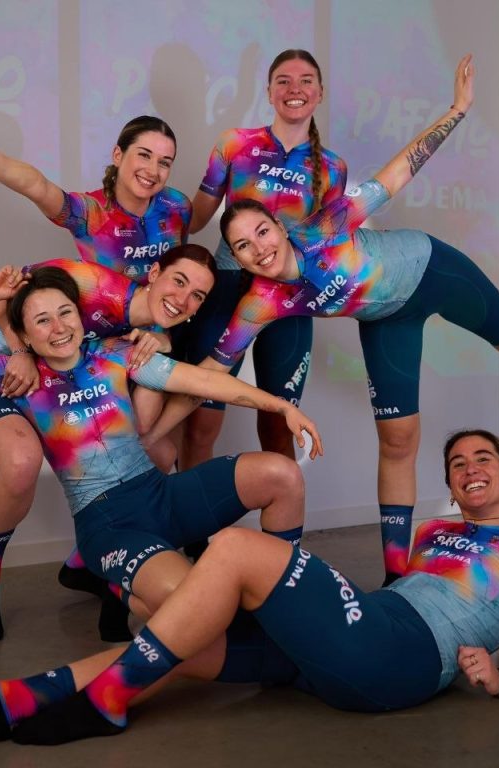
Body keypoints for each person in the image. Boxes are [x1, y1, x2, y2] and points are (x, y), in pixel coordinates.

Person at [148, 54, 499, 586]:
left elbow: (400, 170)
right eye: (243, 246)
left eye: (262, 233)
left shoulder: (326, 226)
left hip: (430, 271)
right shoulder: (260, 302)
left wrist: (457, 110)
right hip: (385, 318)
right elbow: (207, 375)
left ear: (281, 228)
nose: (258, 249)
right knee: (399, 440)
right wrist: (150, 431)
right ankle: (394, 576)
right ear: (237, 259)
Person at [0, 428, 499, 745]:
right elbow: (451, 604)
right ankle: (9, 701)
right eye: (457, 463)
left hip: (403, 656)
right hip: (366, 630)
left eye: (483, 459)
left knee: (237, 547)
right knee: (184, 644)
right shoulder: (433, 534)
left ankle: (108, 702)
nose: (469, 468)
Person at [0, 264, 323, 647]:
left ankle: (284, 596)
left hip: (161, 495)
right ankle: (124, 592)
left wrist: (281, 407)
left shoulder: (115, 354)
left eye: (66, 313)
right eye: (43, 320)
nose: (59, 327)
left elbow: (203, 382)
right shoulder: (17, 377)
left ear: (80, 315)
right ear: (25, 336)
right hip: (107, 522)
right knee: (195, 600)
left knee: (282, 474)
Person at [0, 86, 194, 639]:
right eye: (143, 155)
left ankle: (93, 569)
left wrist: (161, 336)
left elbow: (176, 285)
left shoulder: (175, 209)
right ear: (118, 155)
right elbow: (33, 191)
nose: (153, 170)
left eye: (165, 161)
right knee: (21, 463)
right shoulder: (89, 223)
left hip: (77, 358)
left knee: (155, 450)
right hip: (9, 362)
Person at [177, 48, 347, 560]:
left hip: (288, 301)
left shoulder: (332, 168)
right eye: (283, 80)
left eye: (306, 80)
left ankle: (281, 549)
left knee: (278, 420)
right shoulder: (235, 144)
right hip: (228, 287)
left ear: (319, 92)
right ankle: (193, 540)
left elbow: (328, 246)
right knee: (202, 417)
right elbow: (194, 218)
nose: (295, 89)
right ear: (270, 91)